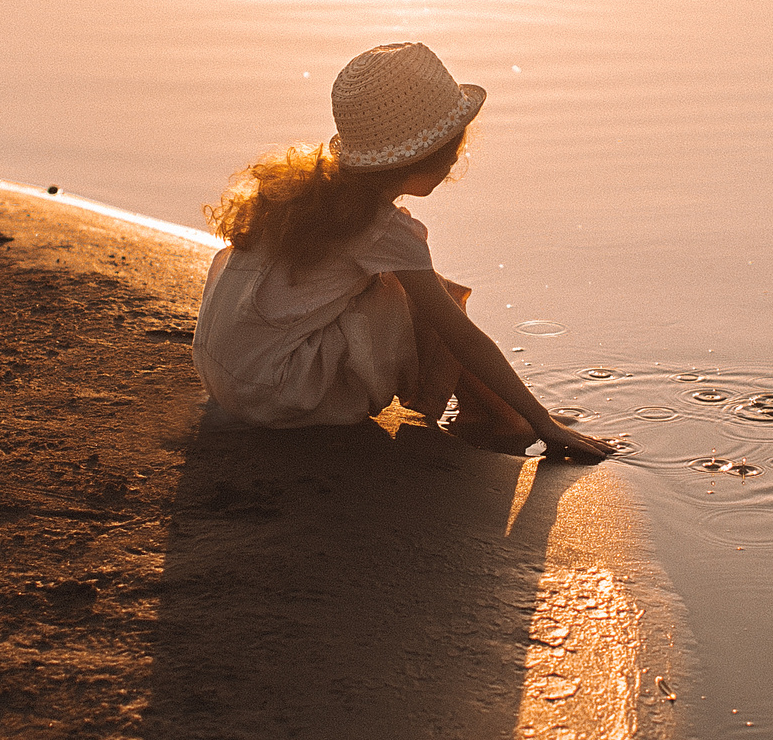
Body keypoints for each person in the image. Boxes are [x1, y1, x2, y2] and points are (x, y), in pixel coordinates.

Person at [194, 43, 616, 461]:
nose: (457, 157)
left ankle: (494, 410)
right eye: (452, 148)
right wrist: (545, 421)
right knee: (435, 302)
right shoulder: (381, 228)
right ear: (426, 157)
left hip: (225, 369)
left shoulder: (312, 195)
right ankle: (504, 418)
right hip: (273, 393)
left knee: (410, 285)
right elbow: (460, 335)